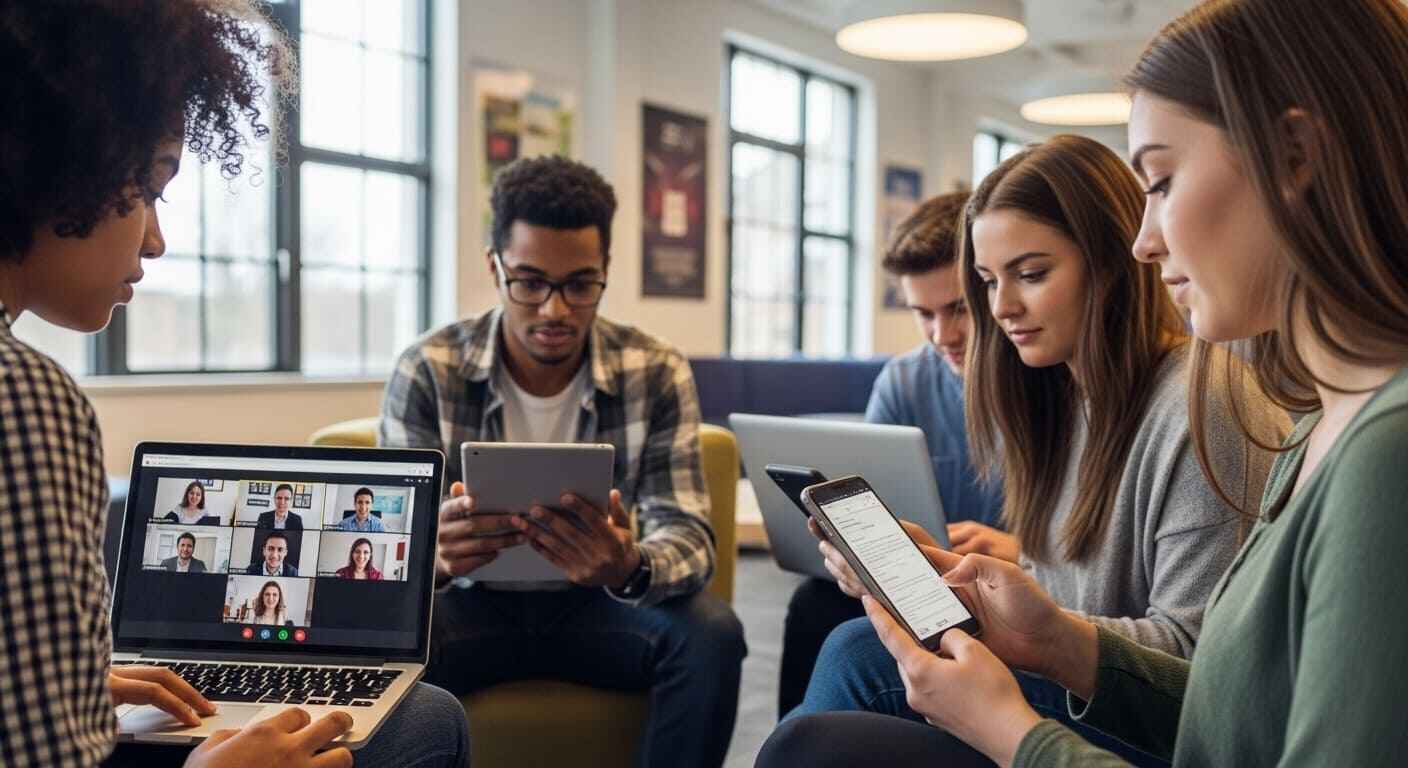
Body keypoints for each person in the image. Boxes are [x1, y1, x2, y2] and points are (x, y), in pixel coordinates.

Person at [757, 1, 1408, 765]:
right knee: (838, 689)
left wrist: (1012, 731)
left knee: (830, 719)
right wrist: (1057, 639)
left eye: (1160, 181)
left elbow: (1213, 679)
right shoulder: (1315, 431)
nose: (1145, 240)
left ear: (1296, 156)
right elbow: (1234, 715)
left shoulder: (1371, 454)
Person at [0, 3, 467, 768]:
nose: (156, 238)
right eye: (149, 188)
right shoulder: (25, 401)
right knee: (426, 723)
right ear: (58, 162)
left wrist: (76, 683)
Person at [774, 133, 1289, 764]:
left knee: (841, 683)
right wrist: (951, 578)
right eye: (989, 281)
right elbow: (1063, 596)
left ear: (1110, 261)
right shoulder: (1060, 403)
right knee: (843, 665)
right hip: (1075, 679)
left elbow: (1194, 661)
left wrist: (1034, 628)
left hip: (1158, 728)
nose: (1003, 307)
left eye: (1032, 274)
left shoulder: (1201, 402)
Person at [381, 154, 746, 768]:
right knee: (374, 646)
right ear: (494, 268)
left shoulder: (654, 369)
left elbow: (688, 534)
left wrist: (629, 564)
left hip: (600, 609)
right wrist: (431, 560)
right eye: (529, 282)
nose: (554, 310)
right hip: (469, 607)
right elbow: (383, 550)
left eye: (579, 285)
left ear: (605, 270)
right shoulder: (429, 368)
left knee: (711, 634)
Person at [776, 192, 1007, 717]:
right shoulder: (904, 381)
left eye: (958, 310)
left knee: (851, 646)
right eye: (923, 314)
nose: (942, 335)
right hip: (925, 584)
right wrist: (857, 560)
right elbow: (878, 516)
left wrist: (1015, 548)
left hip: (1017, 589)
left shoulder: (1042, 376)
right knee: (813, 605)